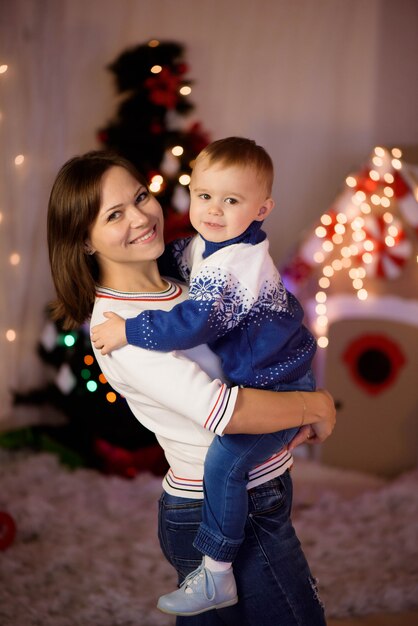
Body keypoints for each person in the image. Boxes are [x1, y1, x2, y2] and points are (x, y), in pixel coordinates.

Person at [47, 149, 336, 626]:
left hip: (254, 490)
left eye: (140, 197)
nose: (141, 217)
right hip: (218, 507)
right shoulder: (121, 328)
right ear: (84, 240)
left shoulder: (184, 278)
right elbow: (227, 412)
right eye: (115, 214)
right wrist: (315, 405)